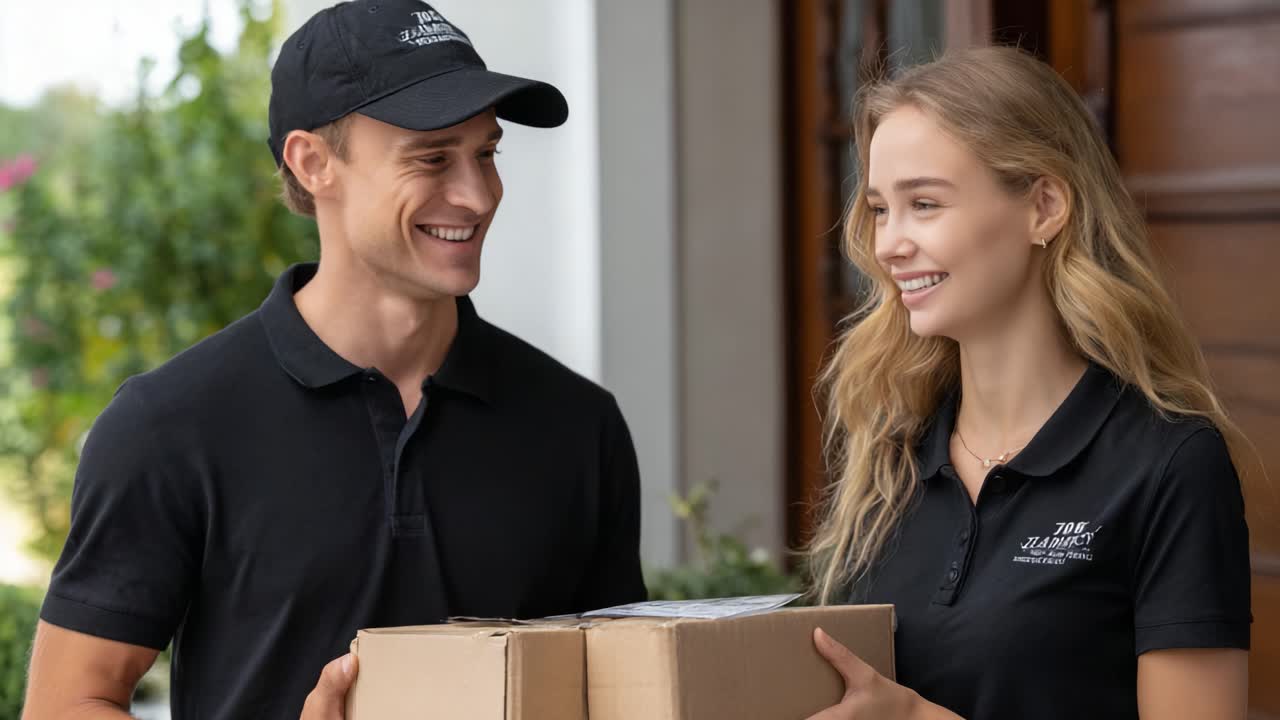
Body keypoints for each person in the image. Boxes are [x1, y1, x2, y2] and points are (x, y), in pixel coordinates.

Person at [21, 2, 646, 718]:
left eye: (486, 153)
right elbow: (66, 704)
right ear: (313, 163)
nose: (477, 195)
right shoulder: (170, 426)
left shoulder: (576, 425)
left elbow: (623, 694)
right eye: (433, 158)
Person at [802, 46, 1252, 720]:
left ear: (1044, 206)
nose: (889, 242)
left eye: (923, 203)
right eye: (879, 209)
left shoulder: (1169, 466)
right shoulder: (888, 452)